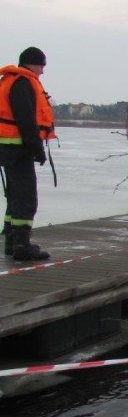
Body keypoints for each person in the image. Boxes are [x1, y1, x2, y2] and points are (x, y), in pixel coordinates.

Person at [0, 46, 55, 261]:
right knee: (26, 196)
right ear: (32, 63)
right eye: (42, 65)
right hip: (18, 147)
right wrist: (37, 148)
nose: (42, 71)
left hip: (9, 147)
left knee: (14, 194)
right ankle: (22, 246)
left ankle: (12, 242)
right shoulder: (23, 83)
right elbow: (26, 120)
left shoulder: (11, 80)